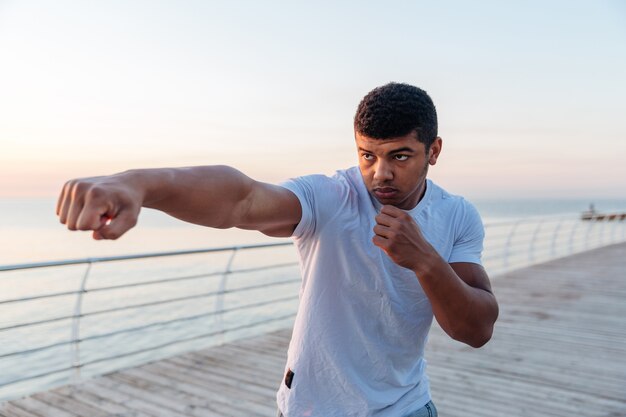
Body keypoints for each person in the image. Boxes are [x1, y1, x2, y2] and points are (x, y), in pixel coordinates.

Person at [57, 82, 499, 417]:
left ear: (433, 151)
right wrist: (140, 184)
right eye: (367, 155)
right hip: (314, 407)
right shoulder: (332, 196)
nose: (380, 174)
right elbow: (242, 198)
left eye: (399, 157)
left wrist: (424, 259)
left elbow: (475, 329)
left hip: (407, 406)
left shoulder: (457, 215)